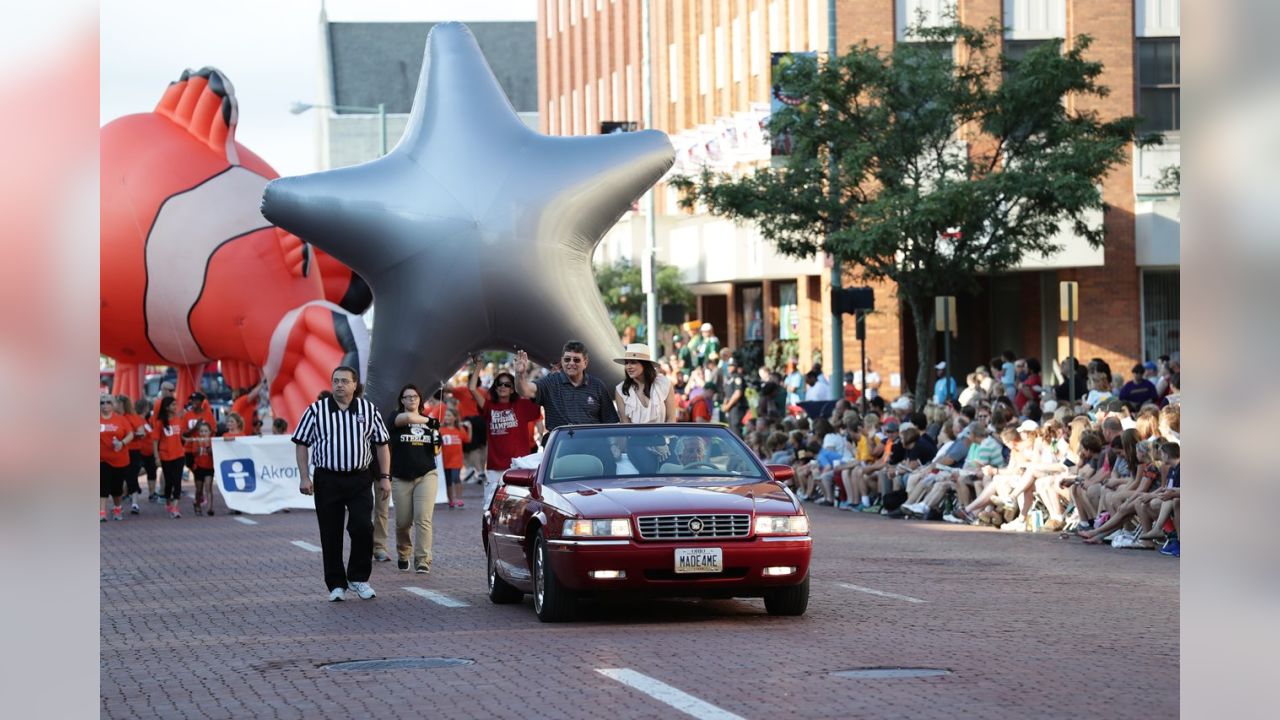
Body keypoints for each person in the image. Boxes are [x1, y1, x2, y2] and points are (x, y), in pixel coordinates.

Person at [292, 366, 391, 602]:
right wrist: (304, 476)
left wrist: (385, 477)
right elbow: (301, 443)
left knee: (362, 527)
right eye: (335, 381)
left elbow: (382, 444)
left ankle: (358, 578)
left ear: (355, 385)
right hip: (328, 478)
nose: (339, 385)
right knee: (330, 532)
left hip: (359, 478)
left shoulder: (368, 410)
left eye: (345, 381)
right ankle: (336, 584)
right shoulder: (317, 410)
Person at [386, 383, 443, 574]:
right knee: (403, 522)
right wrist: (430, 423)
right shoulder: (396, 418)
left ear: (420, 400)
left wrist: (437, 438)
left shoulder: (429, 423)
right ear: (401, 401)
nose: (411, 399)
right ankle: (403, 553)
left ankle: (423, 560)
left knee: (423, 519)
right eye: (407, 397)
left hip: (426, 474)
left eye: (415, 397)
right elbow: (409, 418)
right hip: (401, 476)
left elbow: (436, 449)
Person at [473, 355, 542, 510]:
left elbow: (536, 398)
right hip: (494, 466)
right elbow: (471, 388)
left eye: (507, 384)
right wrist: (478, 366)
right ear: (494, 387)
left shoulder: (522, 405)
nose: (502, 387)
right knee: (491, 506)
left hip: (518, 466)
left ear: (513, 388)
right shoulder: (489, 406)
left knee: (519, 505)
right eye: (499, 384)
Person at [614, 343, 677, 423]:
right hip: (634, 435)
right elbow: (626, 425)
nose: (628, 367)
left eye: (633, 362)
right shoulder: (621, 390)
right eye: (626, 363)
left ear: (645, 365)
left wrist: (664, 435)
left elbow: (671, 419)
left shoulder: (664, 384)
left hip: (662, 435)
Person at [100, 393, 136, 522]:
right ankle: (102, 512)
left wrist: (122, 443)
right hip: (101, 459)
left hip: (119, 459)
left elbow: (130, 434)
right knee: (102, 485)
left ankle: (117, 508)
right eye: (102, 403)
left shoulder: (120, 419)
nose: (105, 405)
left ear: (113, 405)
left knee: (117, 488)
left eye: (108, 402)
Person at [152, 397, 186, 518]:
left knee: (177, 481)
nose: (175, 407)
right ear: (166, 407)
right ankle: (168, 500)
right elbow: (155, 441)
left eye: (175, 404)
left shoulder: (178, 419)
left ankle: (175, 507)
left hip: (179, 455)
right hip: (166, 456)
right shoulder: (159, 422)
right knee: (169, 482)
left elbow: (181, 436)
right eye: (173, 405)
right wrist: (157, 457)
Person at [116, 395, 146, 514]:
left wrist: (132, 434)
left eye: (117, 403)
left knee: (132, 475)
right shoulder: (115, 418)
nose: (115, 406)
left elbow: (142, 432)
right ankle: (119, 502)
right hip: (119, 450)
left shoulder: (133, 417)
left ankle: (135, 502)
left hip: (133, 450)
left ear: (123, 404)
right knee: (119, 476)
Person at [439, 407, 472, 508]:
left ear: (455, 418)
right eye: (446, 415)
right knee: (448, 480)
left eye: (449, 415)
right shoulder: (441, 429)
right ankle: (451, 500)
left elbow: (468, 440)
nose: (446, 417)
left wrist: (470, 428)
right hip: (445, 460)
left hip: (456, 459)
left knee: (455, 478)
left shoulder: (460, 429)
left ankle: (459, 498)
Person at [189, 421, 216, 516]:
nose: (203, 433)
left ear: (209, 432)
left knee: (208, 487)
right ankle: (197, 505)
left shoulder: (212, 441)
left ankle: (210, 508)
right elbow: (194, 453)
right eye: (201, 431)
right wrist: (199, 445)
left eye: (205, 431)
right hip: (199, 467)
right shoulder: (196, 441)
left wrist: (208, 445)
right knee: (199, 489)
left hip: (209, 467)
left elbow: (211, 453)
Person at [719, 360, 747, 436]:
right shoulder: (728, 378)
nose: (729, 367)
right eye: (729, 365)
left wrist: (728, 406)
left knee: (735, 429)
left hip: (736, 407)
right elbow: (727, 393)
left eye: (732, 365)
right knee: (730, 428)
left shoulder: (738, 377)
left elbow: (738, 393)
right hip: (730, 408)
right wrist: (725, 404)